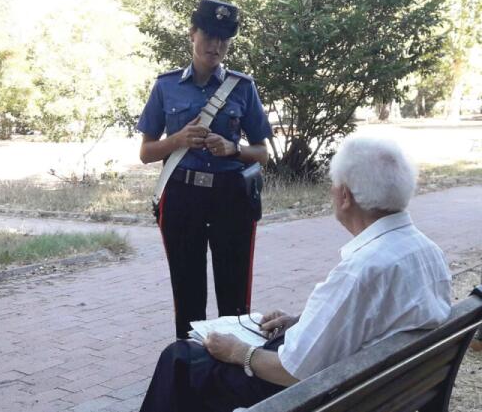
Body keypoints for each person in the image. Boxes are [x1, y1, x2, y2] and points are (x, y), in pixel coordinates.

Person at [139, 136, 452, 412]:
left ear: (345, 196)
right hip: (384, 390)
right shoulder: (426, 251)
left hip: (319, 396)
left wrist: (237, 351)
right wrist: (301, 321)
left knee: (180, 360)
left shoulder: (362, 270)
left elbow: (292, 371)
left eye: (333, 185)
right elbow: (374, 320)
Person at [136, 0, 272, 339]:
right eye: (210, 36)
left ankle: (236, 368)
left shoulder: (243, 87)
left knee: (235, 299)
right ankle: (189, 366)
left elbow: (262, 153)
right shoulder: (166, 86)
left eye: (224, 39)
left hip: (231, 198)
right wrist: (177, 139)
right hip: (182, 197)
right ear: (192, 34)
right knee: (188, 296)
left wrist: (233, 149)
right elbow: (146, 153)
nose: (216, 46)